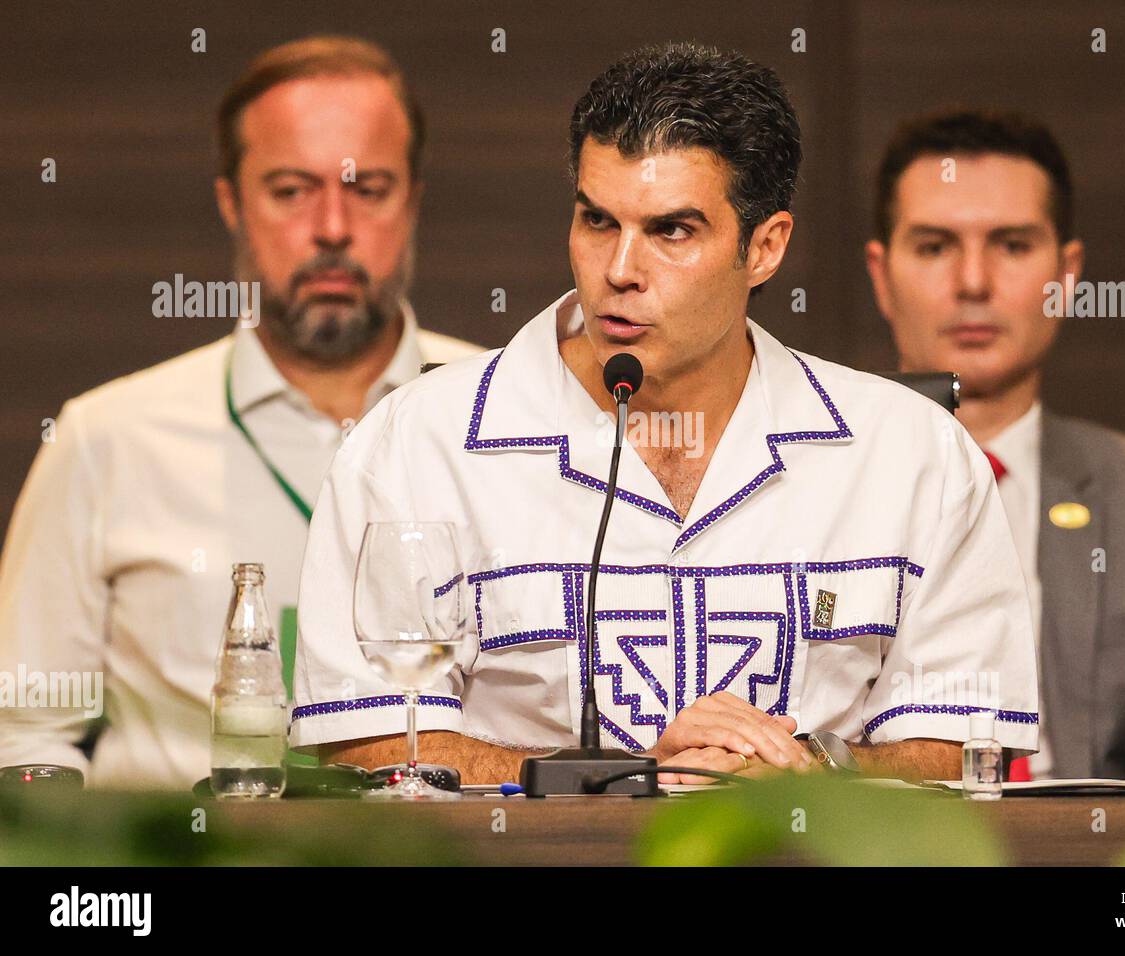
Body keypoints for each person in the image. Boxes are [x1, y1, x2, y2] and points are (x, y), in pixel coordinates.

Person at [291, 44, 1038, 786]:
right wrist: (627, 778)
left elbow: (967, 749)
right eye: (597, 221)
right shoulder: (414, 445)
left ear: (767, 247)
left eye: (671, 231)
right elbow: (366, 743)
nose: (619, 270)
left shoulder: (914, 454)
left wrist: (804, 769)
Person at [0, 36, 481, 790]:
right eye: (291, 189)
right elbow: (22, 735)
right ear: (231, 202)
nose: (331, 227)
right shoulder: (106, 438)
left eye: (369, 188)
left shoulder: (501, 414)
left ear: (414, 199)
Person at [865, 109, 1125, 780]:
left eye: (1012, 245)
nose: (974, 283)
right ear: (882, 275)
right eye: (934, 246)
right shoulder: (796, 481)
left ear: (1067, 275)